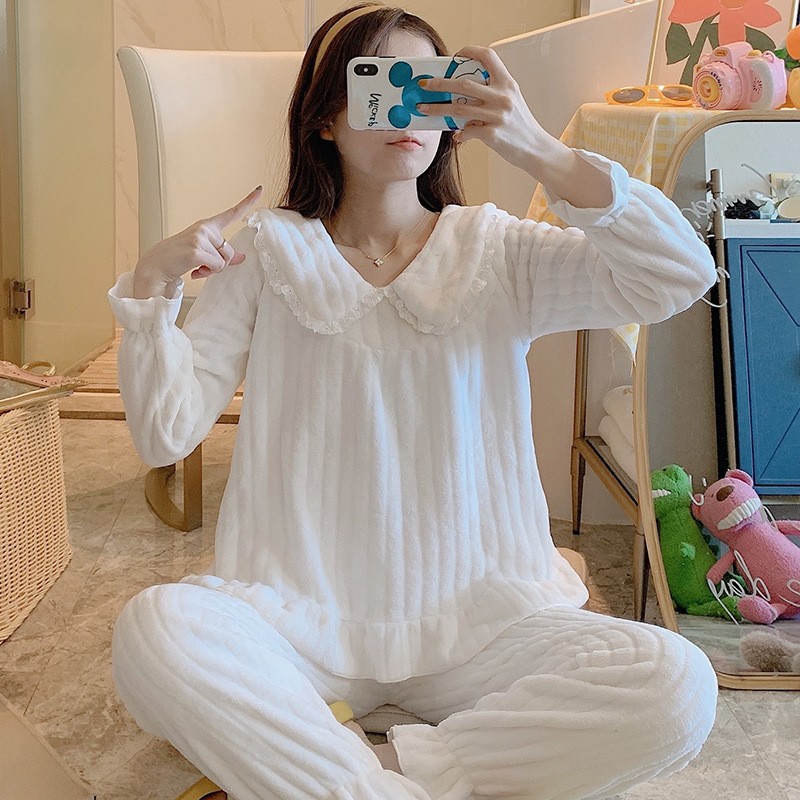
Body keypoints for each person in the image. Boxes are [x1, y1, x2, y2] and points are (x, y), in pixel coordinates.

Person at [109, 4, 719, 800]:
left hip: (483, 631)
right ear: (325, 117)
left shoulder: (497, 250)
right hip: (295, 621)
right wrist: (151, 289)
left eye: (426, 86)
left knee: (677, 685)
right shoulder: (269, 251)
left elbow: (679, 276)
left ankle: (381, 777)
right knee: (155, 632)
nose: (404, 109)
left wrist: (535, 145)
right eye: (378, 82)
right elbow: (165, 435)